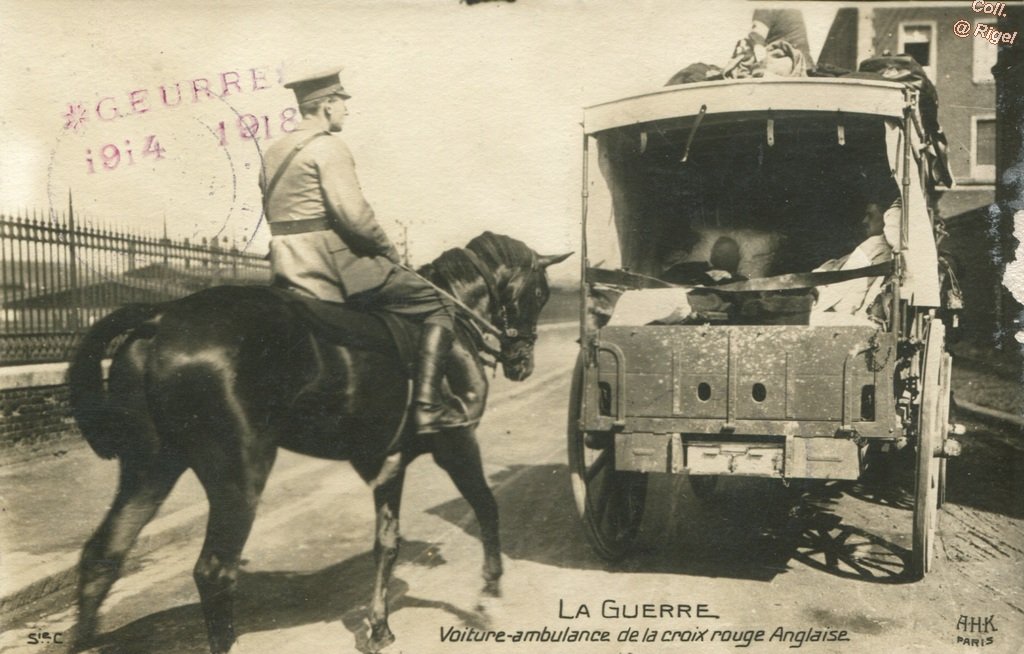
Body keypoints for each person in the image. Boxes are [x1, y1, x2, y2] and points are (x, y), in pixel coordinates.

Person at [259, 67, 463, 434]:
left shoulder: (273, 151)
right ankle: (429, 406)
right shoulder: (328, 147)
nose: (346, 111)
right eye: (342, 103)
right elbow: (352, 216)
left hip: (286, 262)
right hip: (328, 262)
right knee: (439, 304)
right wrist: (387, 249)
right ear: (326, 106)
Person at [811, 200, 894, 320]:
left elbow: (836, 295)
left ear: (885, 219)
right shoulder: (880, 248)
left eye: (870, 215)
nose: (864, 221)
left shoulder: (875, 244)